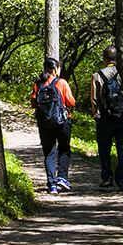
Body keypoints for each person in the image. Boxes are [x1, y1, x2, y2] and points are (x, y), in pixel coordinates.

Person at [31, 57, 75, 193]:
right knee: (64, 150)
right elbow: (71, 102)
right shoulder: (61, 83)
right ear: (55, 69)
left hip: (44, 124)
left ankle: (52, 185)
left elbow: (33, 103)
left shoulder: (38, 84)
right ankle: (62, 178)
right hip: (62, 122)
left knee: (49, 153)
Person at [89, 45, 123, 189]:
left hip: (105, 119)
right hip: (122, 118)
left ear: (105, 59)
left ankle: (107, 177)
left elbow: (94, 99)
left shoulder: (97, 75)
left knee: (104, 149)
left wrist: (96, 114)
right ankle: (122, 179)